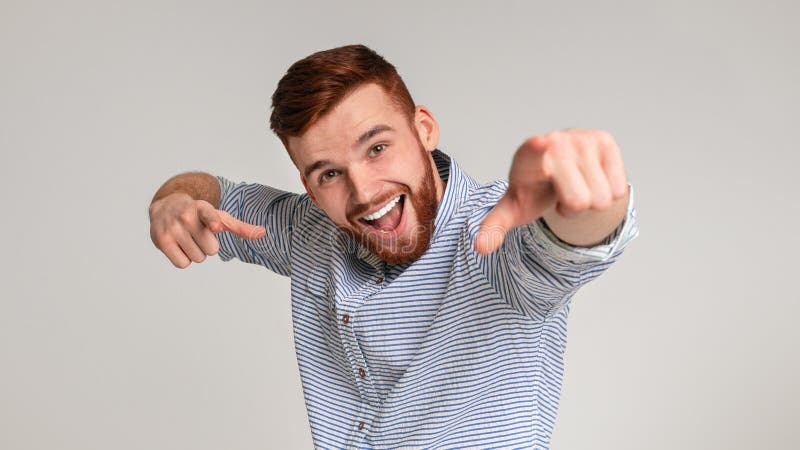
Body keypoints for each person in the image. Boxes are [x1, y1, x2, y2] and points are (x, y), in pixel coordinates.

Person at [148, 44, 639, 449]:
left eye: (377, 148)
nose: (364, 192)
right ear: (309, 184)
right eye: (330, 174)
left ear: (423, 129)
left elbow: (566, 248)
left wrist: (583, 198)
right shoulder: (311, 231)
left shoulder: (493, 236)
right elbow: (215, 192)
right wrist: (173, 198)